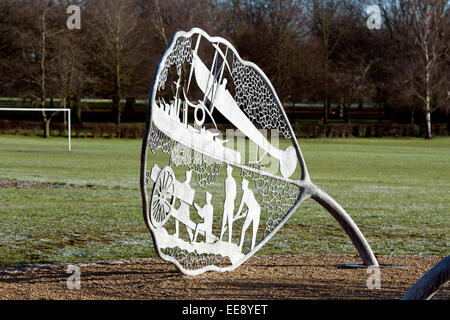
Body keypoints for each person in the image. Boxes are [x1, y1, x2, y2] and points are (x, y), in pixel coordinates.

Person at [235, 179, 261, 251]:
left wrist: (238, 214)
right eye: (241, 184)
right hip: (254, 209)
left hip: (254, 210)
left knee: (247, 229)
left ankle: (242, 246)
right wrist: (241, 214)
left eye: (243, 184)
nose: (241, 186)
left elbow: (242, 205)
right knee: (249, 230)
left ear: (246, 185)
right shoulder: (248, 192)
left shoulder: (247, 192)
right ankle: (248, 247)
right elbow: (249, 205)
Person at [174, 170, 193, 241]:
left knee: (186, 222)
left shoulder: (188, 186)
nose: (189, 178)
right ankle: (177, 234)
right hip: (183, 205)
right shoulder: (185, 185)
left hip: (185, 206)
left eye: (190, 177)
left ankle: (191, 237)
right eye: (189, 176)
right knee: (178, 219)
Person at [219, 165, 237, 243]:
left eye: (228, 171)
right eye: (227, 171)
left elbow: (234, 193)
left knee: (229, 221)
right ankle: (221, 238)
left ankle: (229, 240)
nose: (227, 172)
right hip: (226, 202)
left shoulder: (232, 180)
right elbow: (226, 191)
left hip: (230, 202)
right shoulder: (226, 180)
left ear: (231, 171)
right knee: (224, 219)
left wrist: (231, 201)